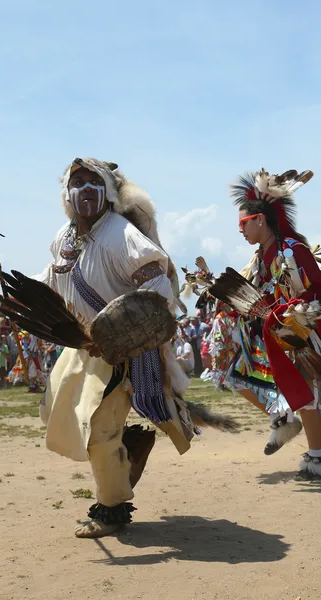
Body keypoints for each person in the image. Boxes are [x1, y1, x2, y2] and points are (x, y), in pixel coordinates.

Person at [28, 157, 234, 539]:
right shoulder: (65, 237)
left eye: (93, 182)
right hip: (82, 346)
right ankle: (129, 448)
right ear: (67, 195)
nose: (85, 189)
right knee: (60, 413)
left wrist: (125, 335)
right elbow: (52, 280)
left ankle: (112, 509)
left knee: (98, 432)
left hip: (120, 352)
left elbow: (159, 289)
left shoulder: (120, 235)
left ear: (107, 191)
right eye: (77, 183)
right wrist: (24, 297)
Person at [224, 168, 321, 479]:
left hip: (303, 332)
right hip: (278, 333)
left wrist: (294, 311)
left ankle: (316, 458)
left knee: (309, 391)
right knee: (236, 373)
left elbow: (315, 289)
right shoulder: (261, 258)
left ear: (260, 220)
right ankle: (283, 418)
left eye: (243, 223)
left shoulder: (291, 250)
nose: (240, 230)